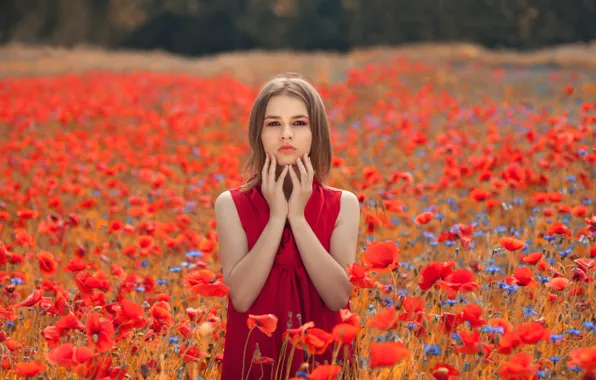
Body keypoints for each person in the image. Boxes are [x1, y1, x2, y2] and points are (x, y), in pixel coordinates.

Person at [215, 73, 360, 380]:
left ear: (316, 132)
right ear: (258, 134)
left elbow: (337, 297)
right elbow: (241, 297)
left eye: (298, 123)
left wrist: (298, 218)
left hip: (323, 362)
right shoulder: (230, 204)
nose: (285, 135)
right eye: (273, 123)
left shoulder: (343, 204)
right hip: (256, 361)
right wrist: (276, 216)